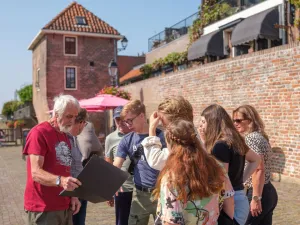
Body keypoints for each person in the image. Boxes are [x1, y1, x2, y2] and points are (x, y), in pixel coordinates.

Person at [143, 118, 225, 225]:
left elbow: (172, 221)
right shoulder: (217, 166)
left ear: (170, 143)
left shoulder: (172, 177)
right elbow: (223, 200)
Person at [23, 94, 82, 225]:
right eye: (68, 116)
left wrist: (73, 195)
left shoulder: (65, 135)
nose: (72, 121)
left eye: (74, 116)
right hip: (43, 208)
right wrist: (60, 181)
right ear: (56, 114)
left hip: (64, 206)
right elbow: (36, 172)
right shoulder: (39, 133)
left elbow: (65, 170)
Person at [199, 104, 261, 225]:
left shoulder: (220, 146)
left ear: (212, 122)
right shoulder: (234, 139)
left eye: (203, 122)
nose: (200, 126)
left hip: (230, 203)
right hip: (239, 199)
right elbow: (255, 159)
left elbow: (221, 180)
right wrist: (240, 180)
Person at [113, 100, 166, 225]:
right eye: (125, 121)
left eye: (130, 120)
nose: (128, 125)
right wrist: (113, 182)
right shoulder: (127, 140)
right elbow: (116, 166)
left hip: (162, 194)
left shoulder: (163, 137)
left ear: (142, 116)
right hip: (140, 194)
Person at [233, 105, 278, 225]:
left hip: (257, 192)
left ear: (250, 120)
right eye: (233, 120)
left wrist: (256, 198)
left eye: (238, 120)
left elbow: (258, 169)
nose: (235, 123)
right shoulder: (261, 136)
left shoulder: (251, 138)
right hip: (268, 190)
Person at [143, 96, 195, 171]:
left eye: (164, 123)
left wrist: (151, 129)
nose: (161, 124)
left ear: (177, 124)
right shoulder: (194, 136)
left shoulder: (182, 148)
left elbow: (156, 160)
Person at [105, 106, 134, 225]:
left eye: (122, 119)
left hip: (139, 188)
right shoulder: (110, 138)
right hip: (122, 188)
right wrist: (108, 191)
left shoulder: (136, 134)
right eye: (117, 120)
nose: (120, 123)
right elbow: (108, 166)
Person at [69, 108, 89, 225]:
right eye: (84, 123)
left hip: (80, 192)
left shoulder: (75, 138)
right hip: (73, 193)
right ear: (81, 123)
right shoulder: (67, 139)